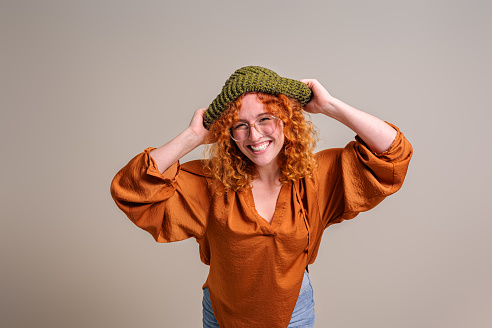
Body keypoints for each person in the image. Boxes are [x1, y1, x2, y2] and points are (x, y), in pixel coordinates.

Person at [110, 66, 413, 328]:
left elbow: (393, 152)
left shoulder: (318, 177)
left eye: (265, 119)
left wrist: (330, 105)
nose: (254, 136)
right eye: (240, 125)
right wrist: (194, 135)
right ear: (227, 133)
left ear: (287, 119)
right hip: (222, 314)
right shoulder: (209, 183)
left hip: (293, 312)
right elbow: (131, 188)